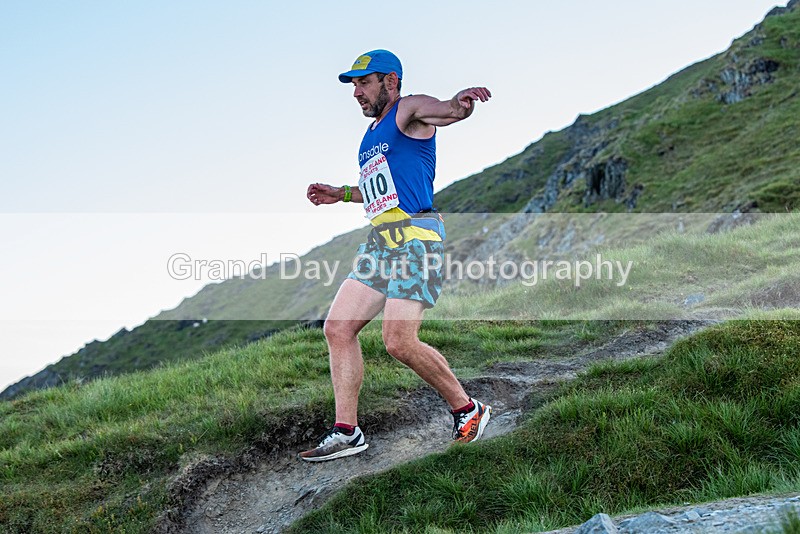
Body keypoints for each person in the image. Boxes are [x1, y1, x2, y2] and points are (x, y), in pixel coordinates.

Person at [300, 49, 492, 462]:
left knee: (399, 341)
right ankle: (347, 432)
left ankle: (467, 409)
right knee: (337, 328)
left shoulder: (408, 110)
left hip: (416, 240)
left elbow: (446, 111)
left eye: (363, 83)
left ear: (390, 80)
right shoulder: (370, 136)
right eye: (354, 85)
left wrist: (460, 104)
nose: (356, 92)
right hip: (380, 243)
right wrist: (341, 193)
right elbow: (382, 190)